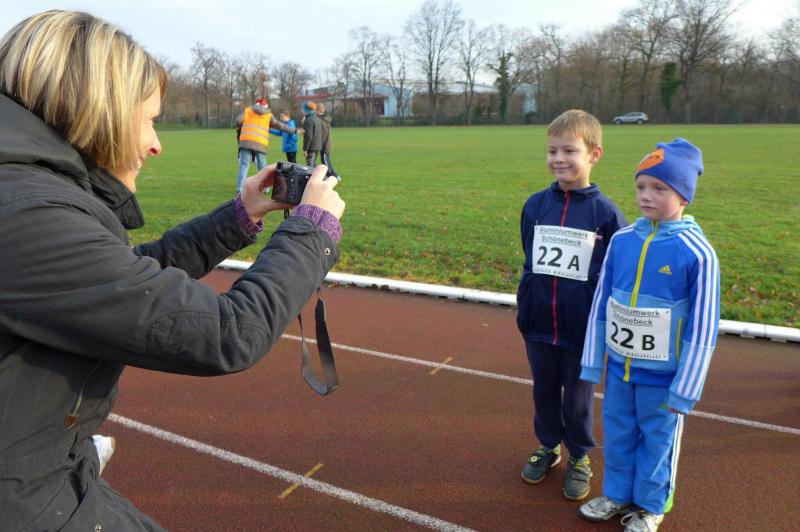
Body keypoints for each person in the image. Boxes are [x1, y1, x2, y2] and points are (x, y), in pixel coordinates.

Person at [0, 10, 344, 531]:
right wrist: (312, 233)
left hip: (42, 473)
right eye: (148, 120)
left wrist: (239, 217)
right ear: (98, 111)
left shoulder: (24, 193)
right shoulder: (26, 214)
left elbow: (119, 279)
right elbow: (226, 334)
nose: (156, 144)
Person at [578, 139, 720, 531]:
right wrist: (592, 362)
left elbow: (704, 327)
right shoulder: (622, 240)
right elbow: (602, 302)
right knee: (618, 434)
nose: (646, 195)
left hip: (664, 378)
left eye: (659, 188)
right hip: (620, 370)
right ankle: (617, 494)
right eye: (641, 186)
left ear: (684, 196)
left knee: (658, 442)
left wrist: (686, 388)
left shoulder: (698, 253)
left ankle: (651, 506)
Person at [516, 109, 626, 501]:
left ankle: (579, 455)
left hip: (581, 328)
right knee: (544, 390)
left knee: (578, 399)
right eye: (552, 151)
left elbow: (615, 270)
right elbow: (530, 258)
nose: (559, 159)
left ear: (594, 154)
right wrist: (528, 303)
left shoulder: (606, 214)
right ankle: (548, 445)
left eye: (569, 151)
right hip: (539, 322)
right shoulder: (535, 205)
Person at [235, 97, 296, 191]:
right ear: (266, 106)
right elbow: (280, 126)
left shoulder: (248, 110)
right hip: (260, 143)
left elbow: (238, 121)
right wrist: (292, 130)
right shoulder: (268, 115)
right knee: (262, 167)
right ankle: (266, 188)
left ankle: (240, 189)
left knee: (244, 166)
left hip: (246, 141)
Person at [302, 101, 328, 166]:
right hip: (317, 146)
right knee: (313, 164)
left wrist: (305, 149)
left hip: (311, 148)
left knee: (310, 166)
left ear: (306, 110)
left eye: (303, 109)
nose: (302, 111)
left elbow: (308, 136)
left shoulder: (308, 120)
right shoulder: (317, 118)